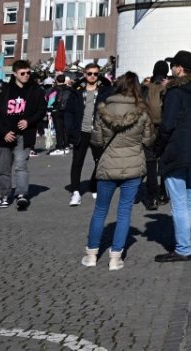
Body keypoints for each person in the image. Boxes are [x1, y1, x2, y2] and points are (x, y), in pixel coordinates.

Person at [83, 72, 155, 270]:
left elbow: (96, 140)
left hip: (108, 165)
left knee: (100, 211)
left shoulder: (104, 110)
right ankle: (115, 257)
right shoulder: (142, 111)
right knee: (124, 212)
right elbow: (149, 140)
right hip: (133, 165)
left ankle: (91, 254)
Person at [154, 50, 191, 263]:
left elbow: (167, 125)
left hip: (178, 150)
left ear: (180, 68)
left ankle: (182, 246)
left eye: (173, 66)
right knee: (187, 196)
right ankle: (184, 238)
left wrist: (157, 148)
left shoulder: (175, 92)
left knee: (179, 201)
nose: (171, 70)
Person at [0, 60, 46, 210]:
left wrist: (29, 121)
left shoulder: (36, 90)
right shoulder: (4, 90)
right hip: (5, 135)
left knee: (21, 166)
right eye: (23, 73)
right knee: (4, 168)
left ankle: (21, 194)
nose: (26, 76)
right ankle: (5, 195)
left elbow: (41, 110)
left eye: (29, 73)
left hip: (24, 135)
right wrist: (4, 132)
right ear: (15, 73)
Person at [67, 64, 111, 206]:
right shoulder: (76, 91)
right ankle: (75, 192)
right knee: (77, 162)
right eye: (90, 73)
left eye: (96, 74)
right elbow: (69, 112)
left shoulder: (105, 91)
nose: (92, 76)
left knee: (100, 161)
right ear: (84, 74)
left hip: (97, 132)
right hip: (81, 132)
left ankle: (93, 185)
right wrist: (71, 130)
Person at [140, 61, 169, 209]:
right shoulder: (167, 88)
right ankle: (164, 193)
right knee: (164, 162)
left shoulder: (144, 88)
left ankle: (153, 197)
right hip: (164, 129)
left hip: (147, 129)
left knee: (150, 164)